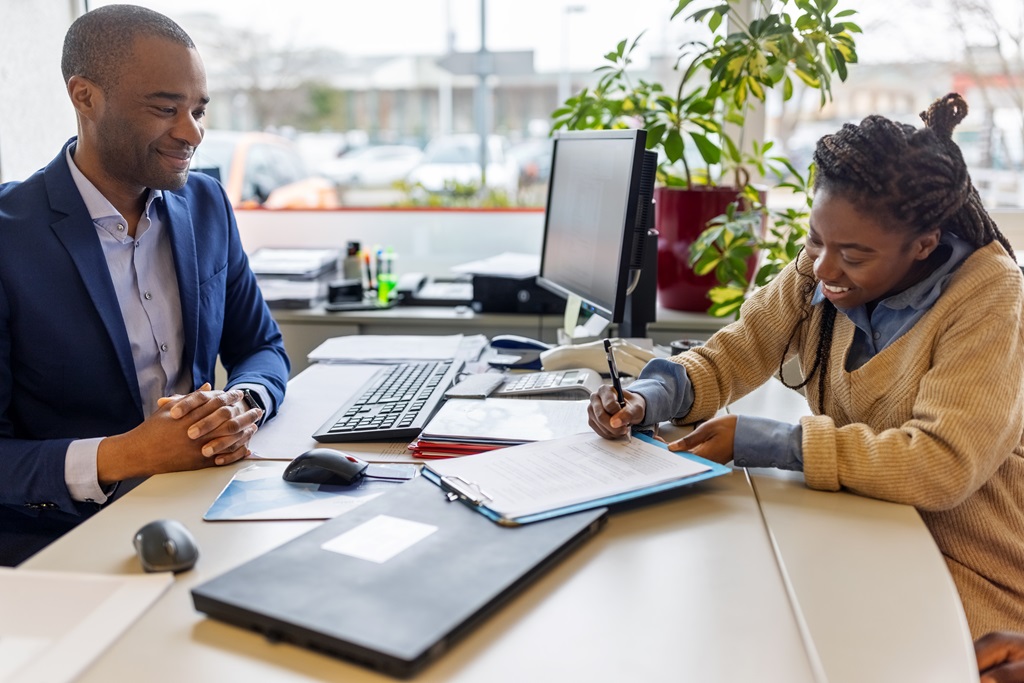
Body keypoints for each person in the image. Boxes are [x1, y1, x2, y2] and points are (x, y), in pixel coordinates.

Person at [589, 93, 1024, 638]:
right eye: (816, 239)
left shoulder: (989, 296)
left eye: (854, 254)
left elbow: (941, 465)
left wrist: (773, 443)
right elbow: (738, 349)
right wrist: (650, 396)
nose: (823, 265)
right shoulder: (825, 266)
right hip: (869, 527)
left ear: (924, 244)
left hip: (972, 571)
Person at [0, 4, 290, 565]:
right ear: (84, 97)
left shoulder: (205, 203)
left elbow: (260, 348)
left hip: (204, 502)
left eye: (198, 109)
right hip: (62, 541)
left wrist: (240, 404)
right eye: (165, 109)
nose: (191, 132)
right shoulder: (10, 237)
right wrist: (124, 454)